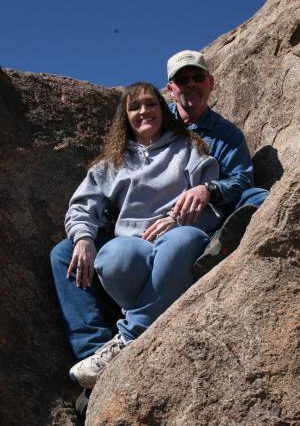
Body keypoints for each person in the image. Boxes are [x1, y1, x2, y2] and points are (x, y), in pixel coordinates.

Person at [51, 81, 224, 390]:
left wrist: (176, 219)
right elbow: (82, 205)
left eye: (150, 104)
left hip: (178, 236)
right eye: (135, 107)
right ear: (125, 117)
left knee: (182, 242)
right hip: (131, 246)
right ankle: (94, 351)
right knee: (81, 254)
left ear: (163, 109)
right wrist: (84, 238)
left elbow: (210, 199)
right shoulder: (113, 162)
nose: (144, 111)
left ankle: (127, 339)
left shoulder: (189, 147)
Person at [166, 50, 269, 277]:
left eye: (198, 77)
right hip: (158, 211)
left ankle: (217, 245)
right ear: (171, 89)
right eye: (183, 80)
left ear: (210, 83)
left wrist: (209, 189)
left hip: (205, 215)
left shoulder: (227, 134)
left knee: (258, 197)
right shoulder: (155, 123)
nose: (192, 84)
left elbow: (242, 179)